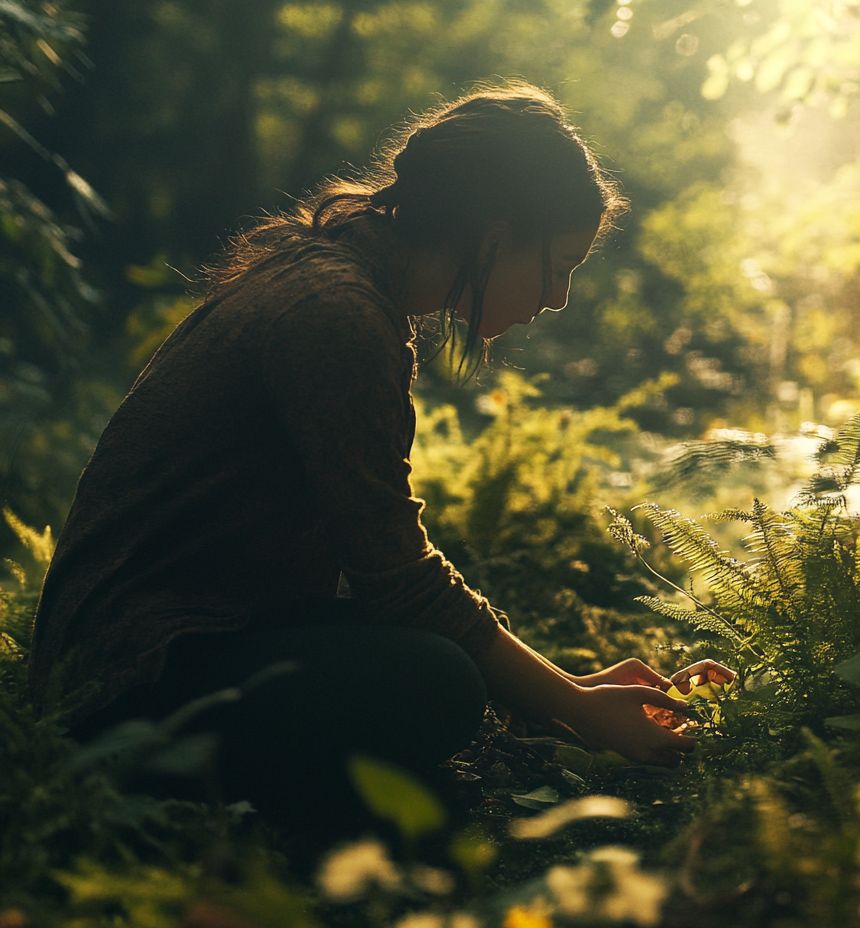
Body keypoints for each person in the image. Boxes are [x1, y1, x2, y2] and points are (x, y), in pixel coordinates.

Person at [28, 82, 732, 831]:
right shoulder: (337, 314)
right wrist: (576, 708)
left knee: (430, 663)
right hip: (129, 683)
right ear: (494, 238)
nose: (558, 298)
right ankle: (263, 825)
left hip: (167, 648)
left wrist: (567, 689)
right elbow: (397, 580)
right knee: (436, 684)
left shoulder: (341, 285)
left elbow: (382, 566)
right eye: (558, 265)